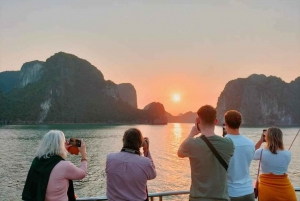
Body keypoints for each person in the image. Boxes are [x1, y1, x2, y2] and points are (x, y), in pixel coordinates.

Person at [177, 105, 235, 201]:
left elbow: (180, 152)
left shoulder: (191, 144)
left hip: (197, 198)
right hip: (221, 198)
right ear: (216, 121)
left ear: (198, 121)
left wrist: (192, 134)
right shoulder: (229, 144)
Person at [22, 130, 87, 201]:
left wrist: (63, 150)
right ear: (60, 145)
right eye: (64, 142)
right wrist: (84, 154)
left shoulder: (37, 161)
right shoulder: (64, 165)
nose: (66, 143)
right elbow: (82, 174)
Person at [106, 128, 156, 201]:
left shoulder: (110, 158)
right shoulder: (145, 163)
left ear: (123, 140)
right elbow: (152, 175)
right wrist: (146, 150)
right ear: (140, 143)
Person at [254, 127, 297, 201]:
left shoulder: (261, 152)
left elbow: (250, 152)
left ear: (267, 138)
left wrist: (261, 140)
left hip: (266, 191)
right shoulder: (287, 154)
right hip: (286, 191)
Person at [224, 110, 255, 201]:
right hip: (248, 192)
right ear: (240, 124)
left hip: (231, 193)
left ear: (226, 123)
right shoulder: (250, 143)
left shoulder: (222, 144)